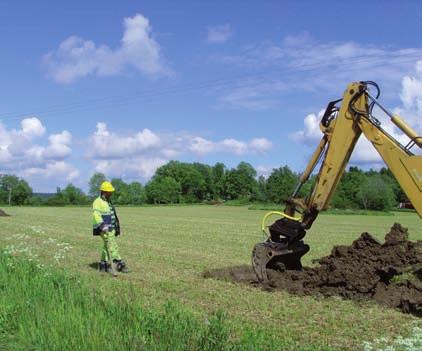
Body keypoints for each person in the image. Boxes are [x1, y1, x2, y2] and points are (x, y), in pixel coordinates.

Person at [92, 181, 129, 275]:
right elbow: (96, 214)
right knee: (112, 245)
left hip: (111, 228)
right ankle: (119, 263)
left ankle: (103, 265)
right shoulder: (97, 202)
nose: (111, 193)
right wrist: (102, 225)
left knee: (106, 246)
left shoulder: (107, 201)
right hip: (103, 228)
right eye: (109, 191)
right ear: (104, 191)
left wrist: (116, 226)